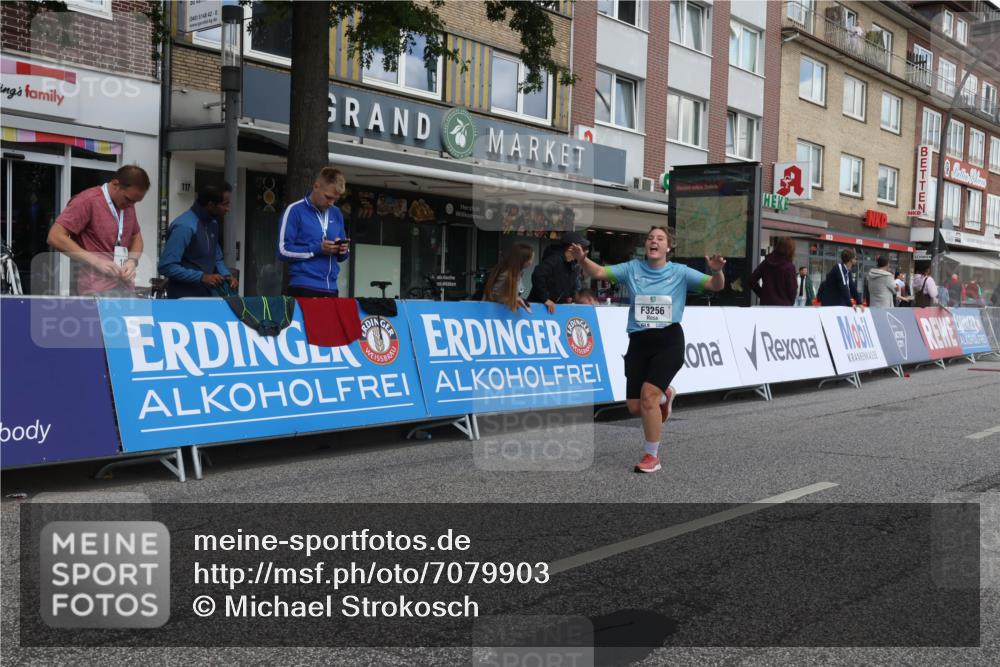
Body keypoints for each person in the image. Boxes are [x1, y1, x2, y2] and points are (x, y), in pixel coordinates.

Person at [570, 226, 726, 473]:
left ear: (668, 247)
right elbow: (598, 271)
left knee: (647, 397)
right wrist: (582, 259)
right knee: (635, 406)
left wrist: (717, 272)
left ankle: (651, 456)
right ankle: (666, 396)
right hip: (639, 342)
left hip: (669, 340)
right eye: (651, 238)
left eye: (660, 239)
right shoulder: (632, 269)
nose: (654, 241)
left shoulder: (680, 272)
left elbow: (715, 286)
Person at [47, 164, 149, 296]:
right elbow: (55, 236)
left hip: (125, 287)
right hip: (95, 289)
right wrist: (96, 261)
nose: (131, 205)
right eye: (128, 199)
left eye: (136, 202)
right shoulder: (87, 201)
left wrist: (132, 261)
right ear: (115, 184)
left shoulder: (127, 205)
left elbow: (136, 238)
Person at [277, 167, 349, 297]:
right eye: (328, 197)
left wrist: (343, 249)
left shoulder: (336, 213)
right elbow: (282, 251)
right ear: (316, 186)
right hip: (304, 285)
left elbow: (342, 256)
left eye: (335, 199)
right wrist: (317, 249)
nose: (331, 203)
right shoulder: (294, 210)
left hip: (331, 288)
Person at [158, 182, 238, 298]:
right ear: (211, 205)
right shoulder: (184, 227)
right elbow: (166, 266)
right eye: (225, 204)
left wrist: (226, 275)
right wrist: (201, 277)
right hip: (183, 300)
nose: (228, 209)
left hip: (206, 297)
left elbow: (216, 257)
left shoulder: (213, 223)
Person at [527, 231, 589, 314]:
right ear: (571, 248)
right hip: (538, 307)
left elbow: (570, 285)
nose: (582, 251)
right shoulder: (554, 259)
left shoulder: (573, 265)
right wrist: (545, 299)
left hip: (555, 309)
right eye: (581, 248)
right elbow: (538, 275)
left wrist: (569, 296)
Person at [482, 243, 533, 312]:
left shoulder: (517, 272)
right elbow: (495, 295)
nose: (531, 262)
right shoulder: (506, 273)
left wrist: (517, 299)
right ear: (523, 260)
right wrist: (514, 300)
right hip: (490, 312)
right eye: (530, 259)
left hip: (499, 311)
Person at [750, 237, 796, 306]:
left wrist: (763, 295)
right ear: (790, 250)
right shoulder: (789, 267)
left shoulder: (766, 262)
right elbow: (792, 289)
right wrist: (789, 302)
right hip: (783, 307)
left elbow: (751, 280)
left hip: (765, 305)